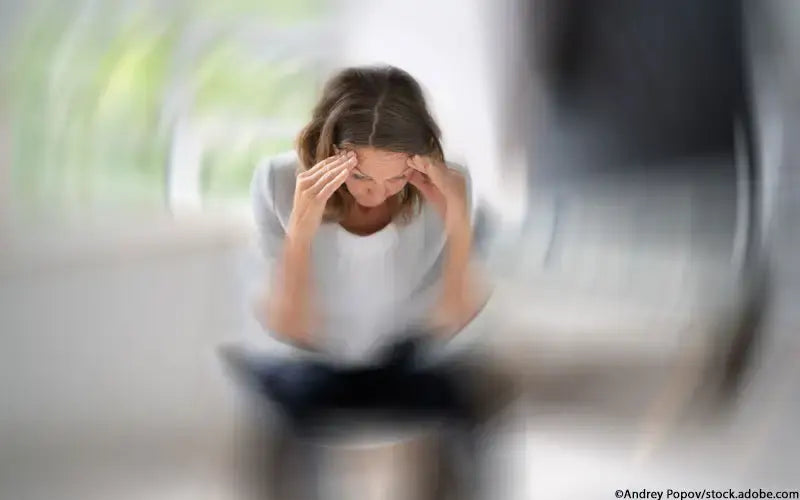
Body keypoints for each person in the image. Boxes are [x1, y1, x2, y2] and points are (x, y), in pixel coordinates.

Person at [226, 64, 493, 498]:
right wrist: (301, 230)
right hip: (307, 359)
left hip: (401, 355)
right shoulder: (278, 181)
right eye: (360, 176)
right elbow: (290, 327)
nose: (376, 194)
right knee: (270, 414)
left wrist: (459, 225)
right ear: (329, 153)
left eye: (396, 178)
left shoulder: (443, 185)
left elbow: (452, 320)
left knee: (475, 399)